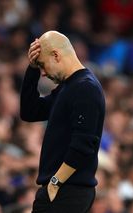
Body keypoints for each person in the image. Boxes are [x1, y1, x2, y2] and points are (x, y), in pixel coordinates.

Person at [20, 31, 106, 213]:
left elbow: (83, 143)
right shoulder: (69, 86)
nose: (42, 73)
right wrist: (32, 69)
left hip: (67, 190)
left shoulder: (85, 87)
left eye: (42, 65)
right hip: (64, 190)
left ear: (56, 55)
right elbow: (30, 112)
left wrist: (56, 181)